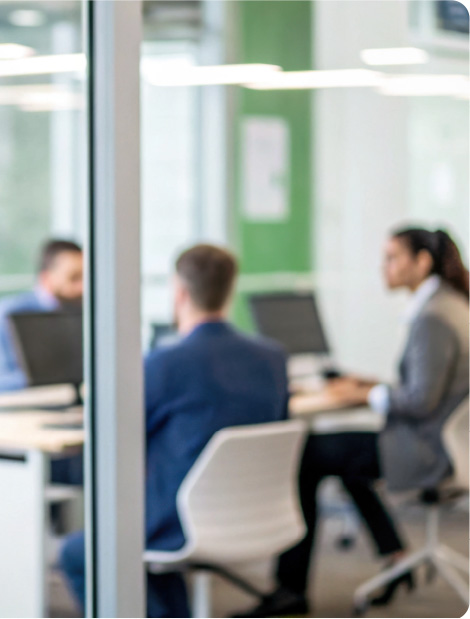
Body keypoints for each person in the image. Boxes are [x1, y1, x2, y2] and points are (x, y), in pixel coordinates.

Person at [243, 227, 470, 617]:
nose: (383, 267)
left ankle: (290, 590)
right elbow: (428, 388)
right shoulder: (450, 305)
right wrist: (369, 384)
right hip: (442, 442)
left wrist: (362, 395)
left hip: (424, 450)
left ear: (422, 262)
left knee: (309, 457)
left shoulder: (432, 316)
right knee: (347, 461)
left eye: (392, 257)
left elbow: (420, 400)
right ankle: (395, 554)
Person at [59, 244, 290, 617]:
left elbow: (120, 436)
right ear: (229, 290)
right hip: (249, 512)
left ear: (179, 292)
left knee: (75, 553)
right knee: (149, 545)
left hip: (178, 521)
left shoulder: (163, 364)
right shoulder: (273, 357)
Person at [0, 239, 83, 394]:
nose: (83, 287)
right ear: (46, 279)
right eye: (74, 278)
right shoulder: (6, 314)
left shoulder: (84, 314)